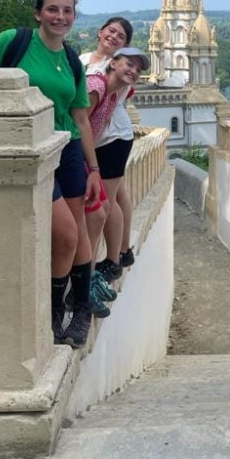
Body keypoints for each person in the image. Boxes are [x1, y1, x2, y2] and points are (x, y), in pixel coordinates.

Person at [0, 0, 101, 349]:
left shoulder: (69, 59)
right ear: (38, 13)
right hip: (29, 151)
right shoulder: (13, 41)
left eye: (67, 11)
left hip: (65, 150)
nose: (60, 17)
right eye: (53, 9)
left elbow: (80, 118)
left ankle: (80, 308)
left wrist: (94, 170)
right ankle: (52, 314)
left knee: (78, 230)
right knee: (65, 235)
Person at [84, 47, 149, 315]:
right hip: (87, 155)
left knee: (101, 210)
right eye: (129, 65)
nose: (133, 71)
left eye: (138, 68)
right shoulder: (98, 86)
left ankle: (99, 270)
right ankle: (92, 275)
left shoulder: (114, 93)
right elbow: (79, 122)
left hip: (106, 150)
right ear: (112, 63)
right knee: (99, 210)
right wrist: (92, 167)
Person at [79, 18, 138, 279]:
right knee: (116, 193)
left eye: (121, 36)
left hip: (112, 137)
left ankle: (114, 258)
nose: (113, 37)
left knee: (108, 199)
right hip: (99, 136)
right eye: (111, 31)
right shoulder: (84, 61)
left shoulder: (114, 71)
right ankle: (122, 251)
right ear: (100, 32)